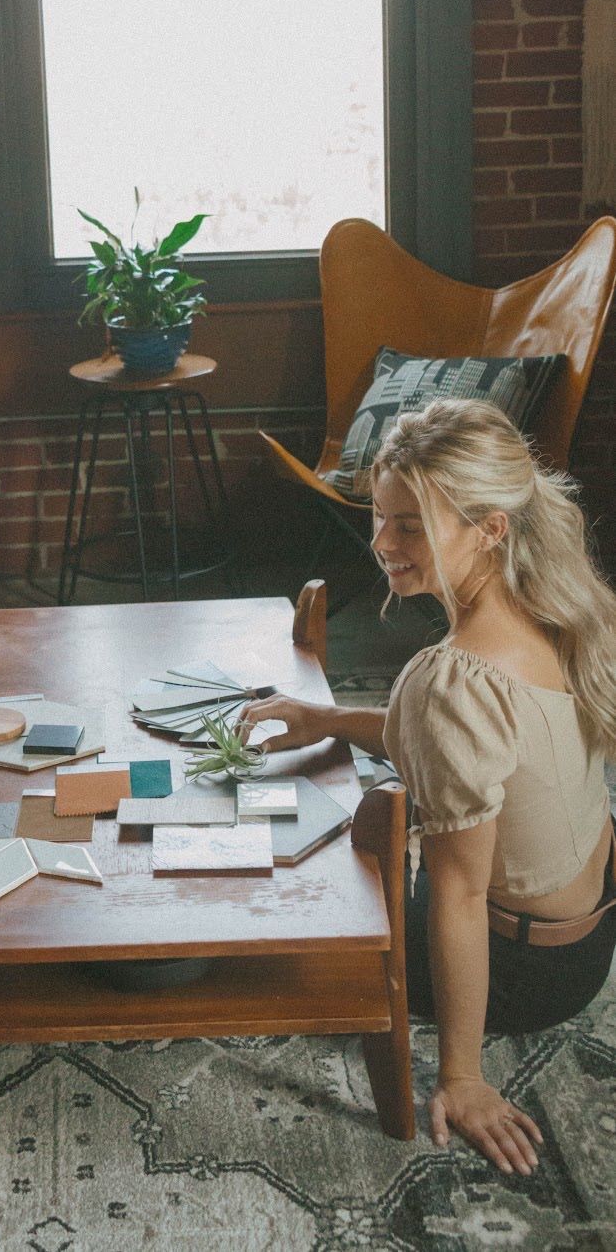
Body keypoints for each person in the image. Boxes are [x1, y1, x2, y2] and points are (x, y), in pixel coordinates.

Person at [239, 397, 616, 1178]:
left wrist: (462, 1076)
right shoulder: (552, 602)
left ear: (489, 526)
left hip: (525, 970)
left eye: (409, 524)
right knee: (350, 808)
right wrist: (331, 717)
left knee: (291, 878)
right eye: (380, 516)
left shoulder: (451, 680)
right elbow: (471, 748)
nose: (380, 542)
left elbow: (458, 894)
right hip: (587, 936)